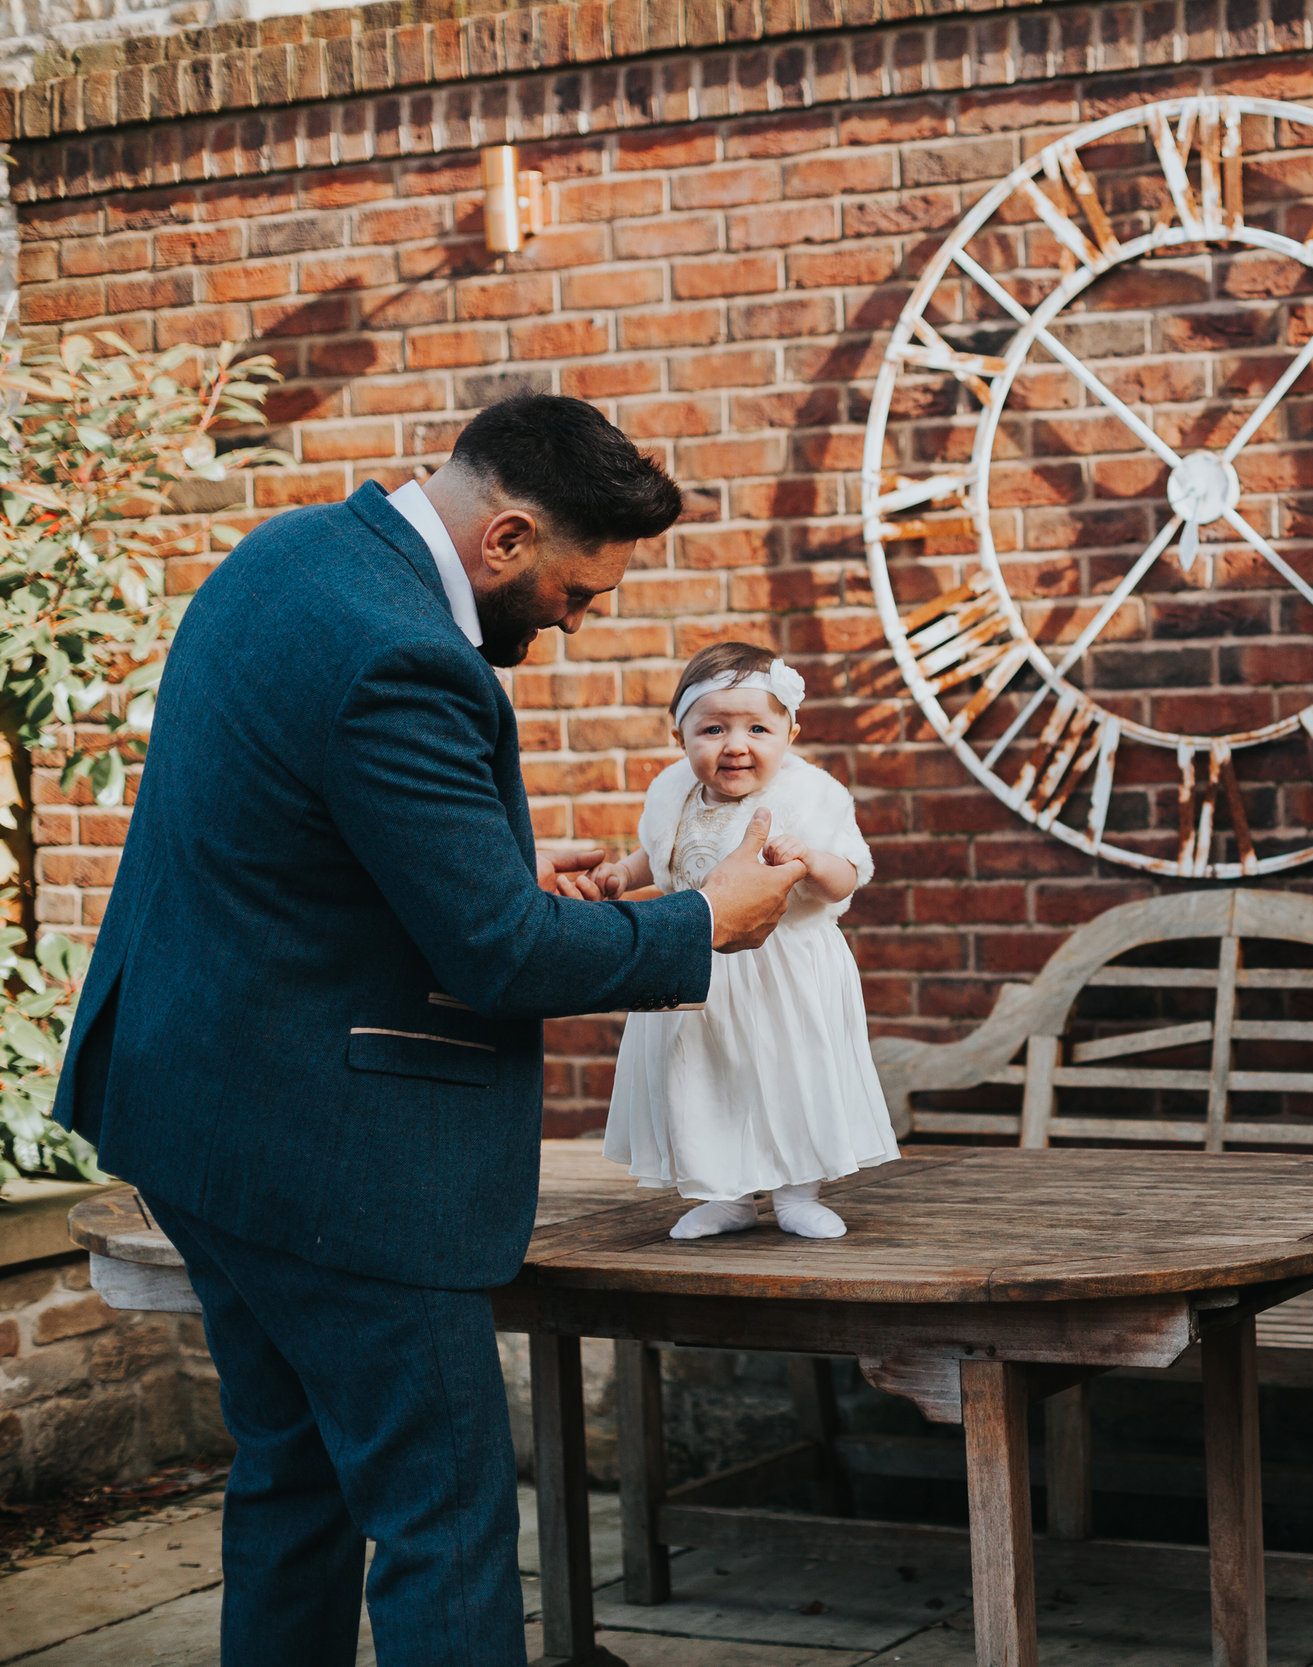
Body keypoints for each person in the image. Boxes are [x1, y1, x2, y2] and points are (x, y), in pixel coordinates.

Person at [53, 394, 809, 1667]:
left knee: (293, 1476)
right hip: (334, 1155)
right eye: (580, 590)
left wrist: (493, 862)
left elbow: (296, 841)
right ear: (507, 538)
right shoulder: (404, 654)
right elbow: (499, 955)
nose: (582, 619)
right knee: (442, 1512)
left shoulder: (291, 555)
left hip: (193, 1114)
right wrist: (702, 919)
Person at [593, 641, 899, 1239]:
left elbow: (846, 879)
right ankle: (726, 1194)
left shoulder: (807, 797)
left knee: (788, 1074)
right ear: (681, 737)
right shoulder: (675, 794)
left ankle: (796, 1192)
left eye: (758, 727)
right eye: (713, 728)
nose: (736, 744)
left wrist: (811, 857)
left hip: (782, 968)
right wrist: (623, 876)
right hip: (697, 960)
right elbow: (662, 856)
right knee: (706, 1076)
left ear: (790, 732)